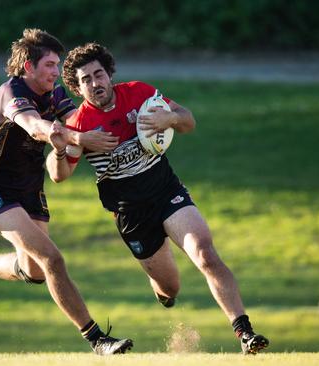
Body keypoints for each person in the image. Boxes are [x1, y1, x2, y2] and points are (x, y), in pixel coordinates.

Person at [47, 42, 269, 355]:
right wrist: (61, 147)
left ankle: (245, 333)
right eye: (86, 80)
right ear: (76, 86)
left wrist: (170, 119)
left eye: (99, 74)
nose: (95, 83)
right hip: (131, 214)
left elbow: (188, 119)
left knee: (204, 253)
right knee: (170, 287)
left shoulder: (139, 93)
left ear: (109, 74)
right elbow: (59, 175)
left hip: (166, 192)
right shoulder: (80, 124)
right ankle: (163, 292)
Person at [0, 30, 132, 355]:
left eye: (57, 65)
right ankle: (97, 339)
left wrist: (128, 120)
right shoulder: (13, 92)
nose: (55, 71)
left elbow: (76, 120)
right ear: (27, 66)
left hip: (29, 188)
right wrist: (74, 138)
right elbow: (36, 127)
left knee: (35, 271)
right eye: (50, 65)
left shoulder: (55, 93)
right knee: (52, 259)